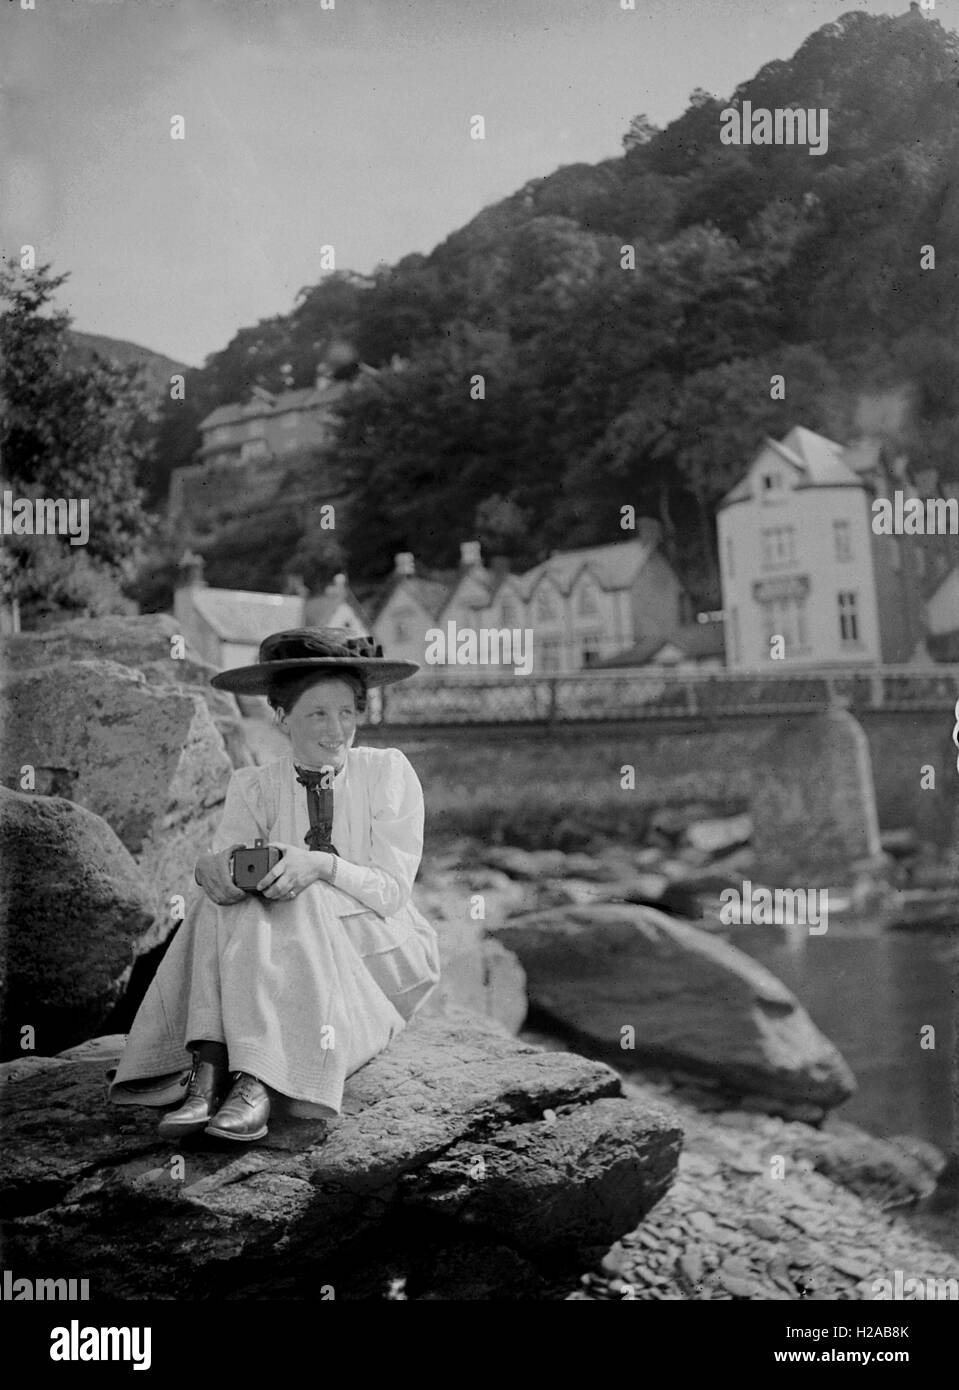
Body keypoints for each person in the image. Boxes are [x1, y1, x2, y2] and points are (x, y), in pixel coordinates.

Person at [108, 628, 441, 1143]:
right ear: (281, 717)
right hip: (289, 961)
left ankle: (252, 1076)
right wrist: (210, 869)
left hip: (380, 955)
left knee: (297, 892)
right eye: (318, 714)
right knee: (223, 899)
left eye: (347, 713)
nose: (337, 730)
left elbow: (391, 892)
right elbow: (231, 879)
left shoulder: (387, 773)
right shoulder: (255, 786)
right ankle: (215, 1067)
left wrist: (320, 867)